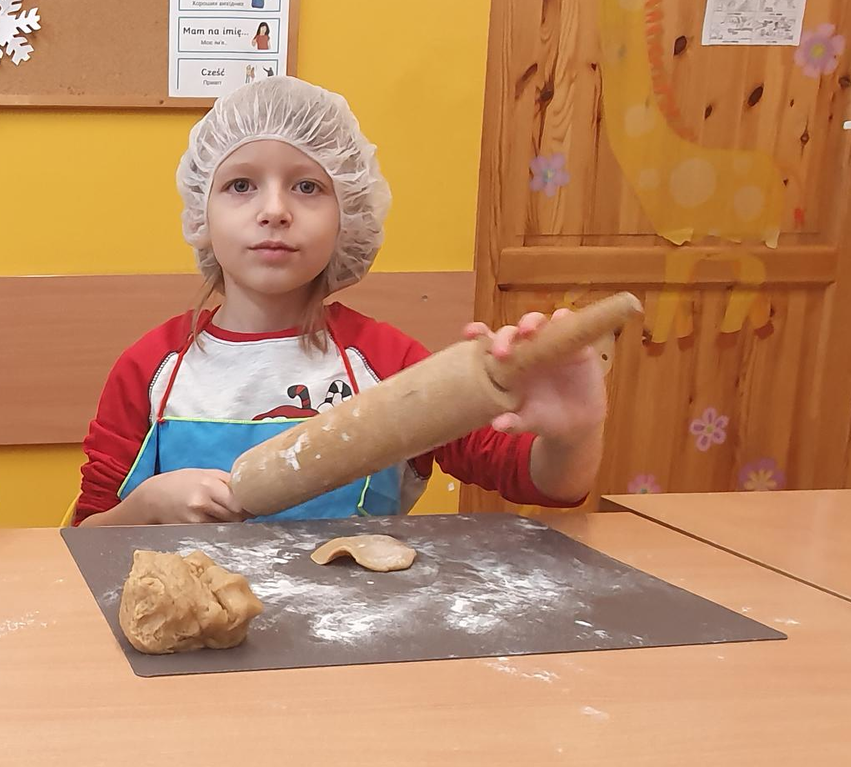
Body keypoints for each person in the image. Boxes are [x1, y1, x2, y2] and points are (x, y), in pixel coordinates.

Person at [74, 76, 606, 526]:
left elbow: (542, 481)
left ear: (347, 215)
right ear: (202, 214)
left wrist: (574, 433)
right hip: (192, 618)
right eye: (240, 185)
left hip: (363, 619)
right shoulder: (152, 369)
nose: (274, 210)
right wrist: (146, 507)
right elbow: (84, 537)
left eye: (307, 187)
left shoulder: (389, 363)